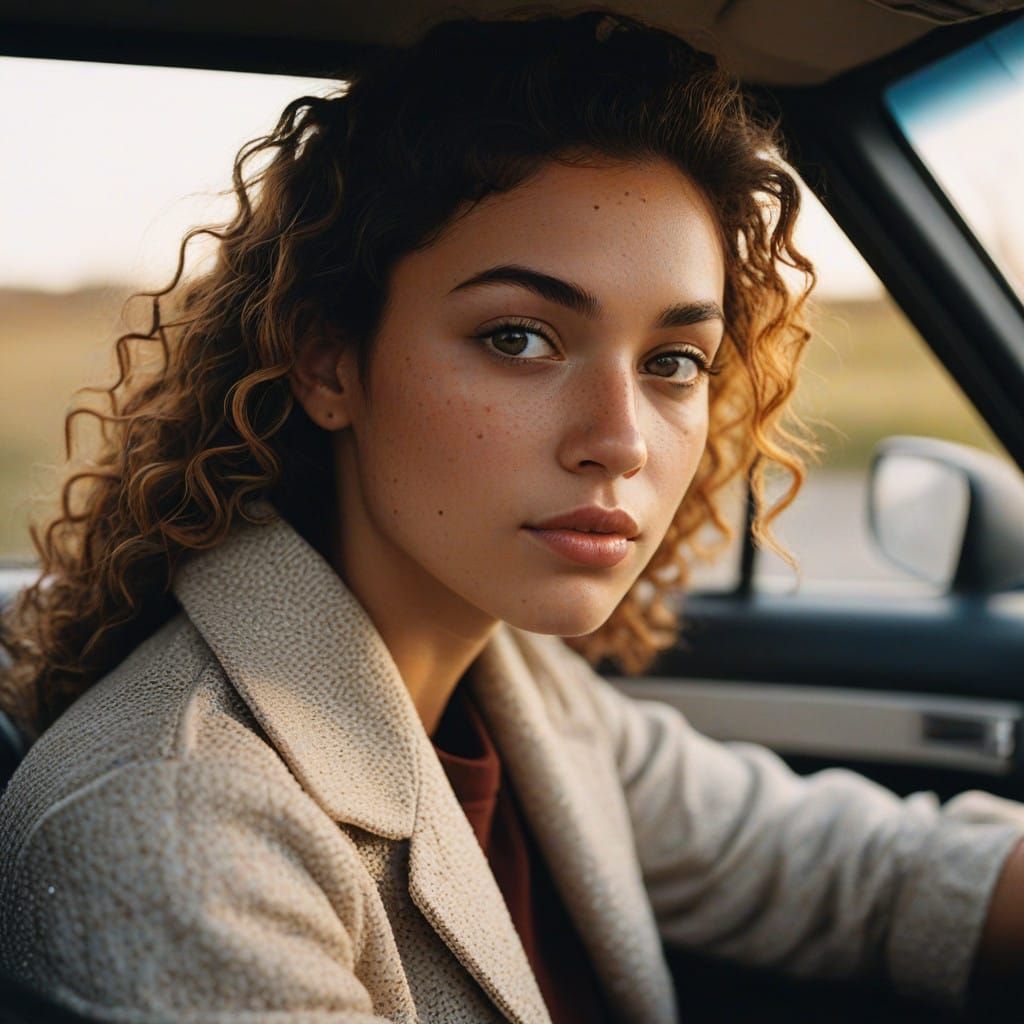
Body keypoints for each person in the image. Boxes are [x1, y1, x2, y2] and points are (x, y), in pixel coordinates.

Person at [1, 8, 1024, 1022]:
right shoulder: (175, 820)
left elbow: (851, 869)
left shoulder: (511, 684)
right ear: (327, 362)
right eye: (521, 338)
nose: (619, 439)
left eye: (673, 362)